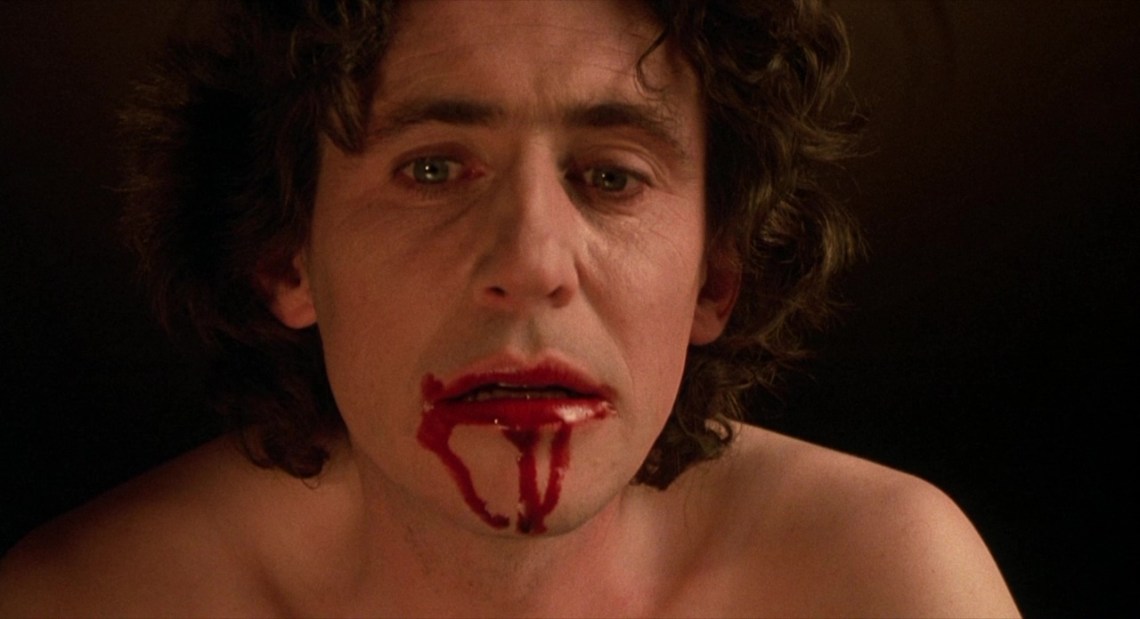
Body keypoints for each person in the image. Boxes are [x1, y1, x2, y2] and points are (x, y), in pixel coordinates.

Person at [0, 0, 1019, 616]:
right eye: (433, 168)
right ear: (285, 257)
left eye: (611, 177)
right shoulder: (84, 600)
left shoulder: (882, 582)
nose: (532, 264)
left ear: (716, 278)